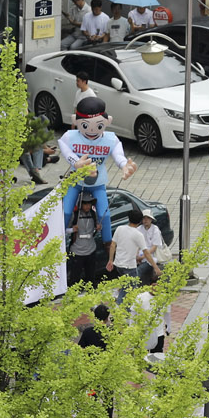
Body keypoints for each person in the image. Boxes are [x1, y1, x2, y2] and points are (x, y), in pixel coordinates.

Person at [59, 97, 136, 288]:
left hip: (98, 184)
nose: (92, 131)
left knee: (104, 213)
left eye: (98, 126)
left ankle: (108, 244)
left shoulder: (110, 139)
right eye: (86, 126)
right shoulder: (71, 136)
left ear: (107, 121)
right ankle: (58, 239)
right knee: (66, 211)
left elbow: (119, 155)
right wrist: (75, 161)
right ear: (76, 122)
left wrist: (125, 165)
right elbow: (62, 145)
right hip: (76, 182)